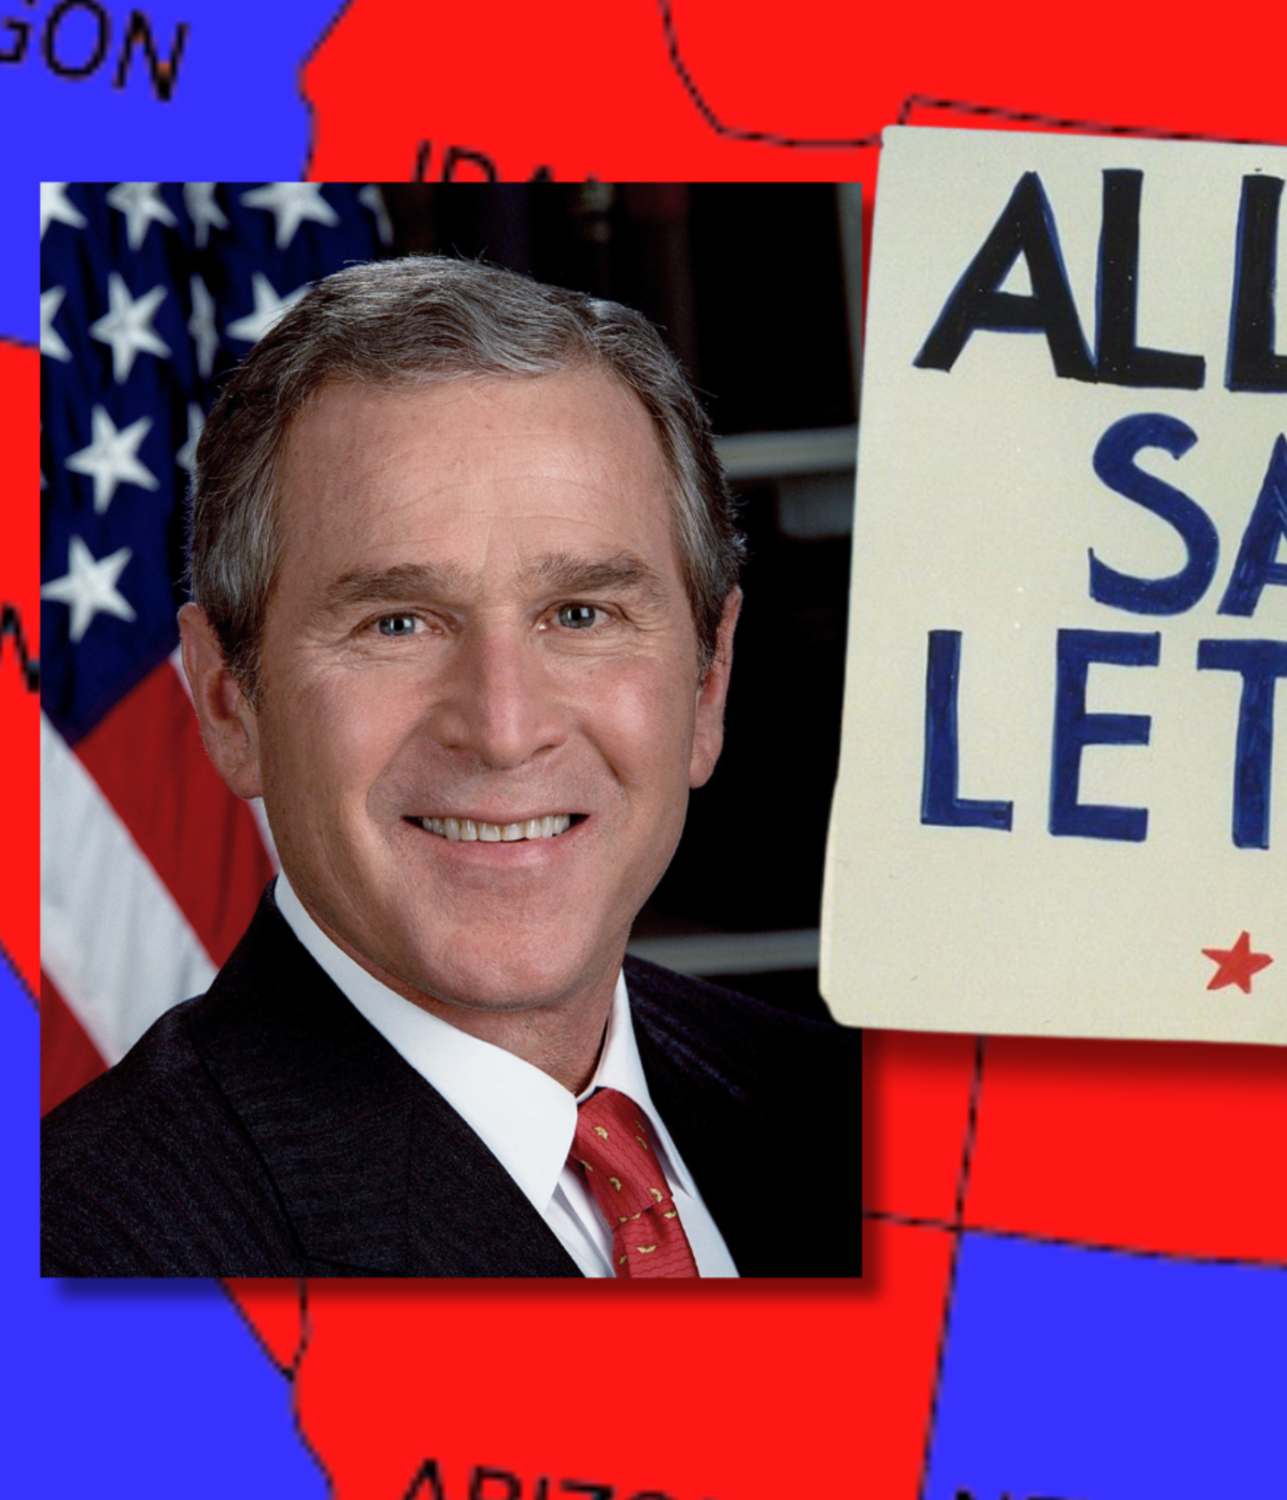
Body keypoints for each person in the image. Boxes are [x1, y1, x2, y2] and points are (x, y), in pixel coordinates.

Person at [41, 257, 861, 1277]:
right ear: (228, 703)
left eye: (581, 615)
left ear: (708, 682)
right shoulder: (89, 1254)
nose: (505, 728)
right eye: (398, 623)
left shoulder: (854, 1121)